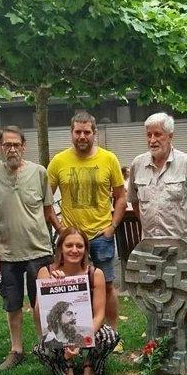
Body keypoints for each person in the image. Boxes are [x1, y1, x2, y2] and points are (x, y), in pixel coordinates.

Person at [0, 126, 57, 370]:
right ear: (0, 147)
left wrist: (64, 233)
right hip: (7, 253)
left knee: (42, 302)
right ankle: (16, 350)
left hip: (38, 250)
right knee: (12, 304)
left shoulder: (39, 172)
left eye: (16, 144)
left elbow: (48, 210)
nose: (12, 149)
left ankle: (44, 345)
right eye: (7, 145)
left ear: (24, 146)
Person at [47, 112, 126, 333]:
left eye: (87, 132)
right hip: (72, 239)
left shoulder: (109, 159)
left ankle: (111, 332)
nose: (82, 136)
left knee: (108, 286)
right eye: (78, 132)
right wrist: (60, 229)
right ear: (71, 133)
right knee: (71, 288)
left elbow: (121, 196)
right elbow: (45, 200)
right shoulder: (58, 161)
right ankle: (76, 331)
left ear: (95, 133)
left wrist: (112, 227)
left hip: (101, 236)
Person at [33, 227, 120, 375]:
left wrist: (80, 340)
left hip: (85, 328)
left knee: (109, 336)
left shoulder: (95, 274)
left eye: (79, 246)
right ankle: (65, 366)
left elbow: (100, 315)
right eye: (69, 245)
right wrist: (49, 287)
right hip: (58, 328)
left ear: (86, 250)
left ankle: (90, 364)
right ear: (60, 248)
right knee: (42, 349)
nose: (74, 250)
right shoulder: (45, 272)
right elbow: (39, 313)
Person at [127, 112, 187, 245]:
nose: (152, 140)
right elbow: (134, 200)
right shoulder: (138, 164)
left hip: (183, 247)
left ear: (170, 136)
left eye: (157, 134)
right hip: (151, 246)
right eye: (149, 135)